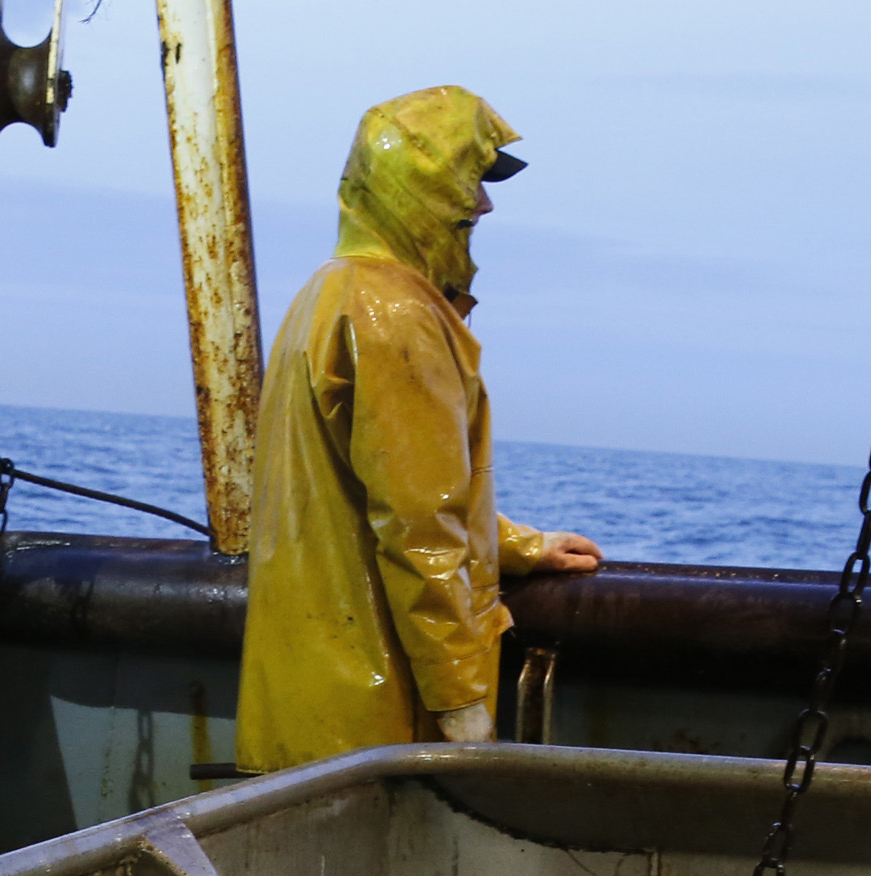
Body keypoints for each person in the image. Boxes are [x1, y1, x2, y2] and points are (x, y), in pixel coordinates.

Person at [235, 87, 602, 775]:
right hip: (372, 732)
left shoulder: (325, 293)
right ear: (418, 185)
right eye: (469, 182)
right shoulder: (396, 315)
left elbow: (383, 491)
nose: (484, 206)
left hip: (300, 714)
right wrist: (463, 707)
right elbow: (418, 527)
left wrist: (520, 545)